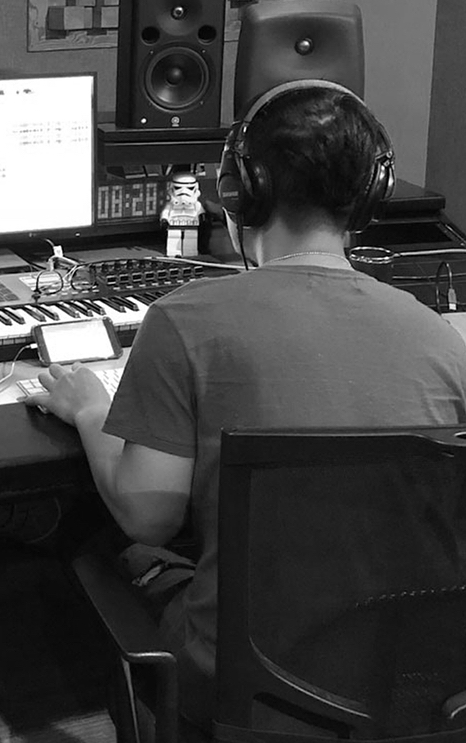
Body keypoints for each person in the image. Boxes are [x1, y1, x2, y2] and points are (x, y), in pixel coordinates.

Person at [25, 80, 466, 728]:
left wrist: (91, 411)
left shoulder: (184, 322)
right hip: (405, 684)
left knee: (110, 550)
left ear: (239, 191)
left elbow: (148, 517)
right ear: (369, 197)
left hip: (242, 684)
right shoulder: (442, 340)